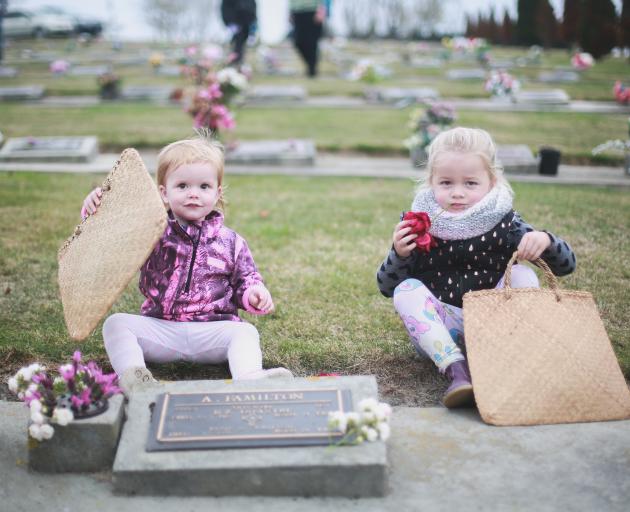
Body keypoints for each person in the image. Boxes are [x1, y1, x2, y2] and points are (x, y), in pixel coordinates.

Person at [376, 127, 576, 408]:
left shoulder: (504, 222)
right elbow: (387, 287)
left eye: (470, 183)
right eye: (446, 183)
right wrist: (398, 253)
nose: (457, 193)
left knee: (523, 274)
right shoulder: (419, 223)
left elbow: (566, 265)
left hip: (494, 324)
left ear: (491, 181)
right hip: (440, 331)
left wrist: (544, 240)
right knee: (406, 290)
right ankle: (457, 371)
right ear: (431, 181)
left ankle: (505, 357)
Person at [81, 136, 292, 394]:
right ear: (164, 193)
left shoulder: (231, 242)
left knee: (245, 333)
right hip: (162, 329)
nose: (194, 193)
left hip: (212, 333)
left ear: (217, 193)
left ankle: (249, 378)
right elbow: (113, 239)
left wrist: (253, 294)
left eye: (204, 186)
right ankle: (135, 377)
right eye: (182, 185)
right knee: (116, 324)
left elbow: (245, 279)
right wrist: (98, 208)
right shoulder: (150, 233)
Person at [289, 0, 327, 77]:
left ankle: (312, 70)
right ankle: (310, 65)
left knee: (312, 42)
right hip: (298, 11)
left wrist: (322, 10)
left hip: (314, 11)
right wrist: (290, 11)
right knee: (298, 41)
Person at [221, 0, 257, 67]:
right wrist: (229, 23)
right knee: (234, 46)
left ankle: (240, 65)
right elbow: (225, 9)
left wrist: (253, 31)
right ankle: (232, 64)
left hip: (247, 26)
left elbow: (253, 11)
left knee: (242, 48)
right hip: (233, 25)